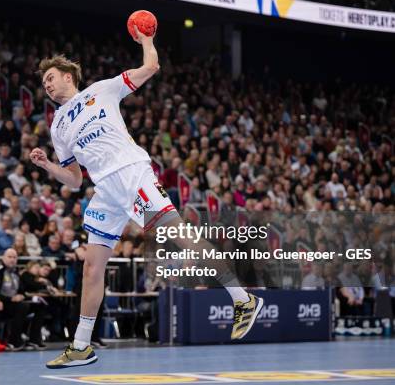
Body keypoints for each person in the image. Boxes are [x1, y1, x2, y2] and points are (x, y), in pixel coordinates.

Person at [32, 27, 261, 368]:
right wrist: (49, 164)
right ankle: (81, 345)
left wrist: (147, 40)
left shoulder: (101, 91)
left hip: (131, 173)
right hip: (105, 191)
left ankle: (243, 299)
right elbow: (76, 180)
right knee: (92, 267)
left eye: (50, 78)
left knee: (182, 238)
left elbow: (151, 67)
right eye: (43, 82)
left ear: (68, 76)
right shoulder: (58, 127)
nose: (46, 85)